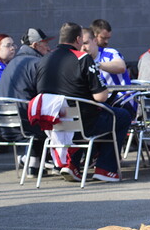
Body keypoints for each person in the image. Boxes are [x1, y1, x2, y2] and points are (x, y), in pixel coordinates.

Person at [35, 22, 131, 183]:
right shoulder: (82, 59)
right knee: (121, 116)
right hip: (82, 123)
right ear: (78, 39)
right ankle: (105, 169)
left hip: (53, 122)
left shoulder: (44, 59)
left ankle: (72, 165)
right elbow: (101, 97)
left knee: (88, 114)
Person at [0, 38, 48, 177]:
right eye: (45, 44)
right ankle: (57, 163)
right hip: (24, 126)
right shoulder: (36, 63)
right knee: (46, 121)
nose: (48, 48)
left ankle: (33, 165)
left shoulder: (12, 63)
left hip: (1, 125)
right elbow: (45, 93)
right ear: (36, 45)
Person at [81, 27, 135, 114]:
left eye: (86, 43)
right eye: (80, 45)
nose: (83, 48)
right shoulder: (80, 60)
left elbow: (121, 67)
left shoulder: (109, 53)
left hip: (121, 100)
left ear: (95, 41)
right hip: (97, 102)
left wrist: (97, 65)